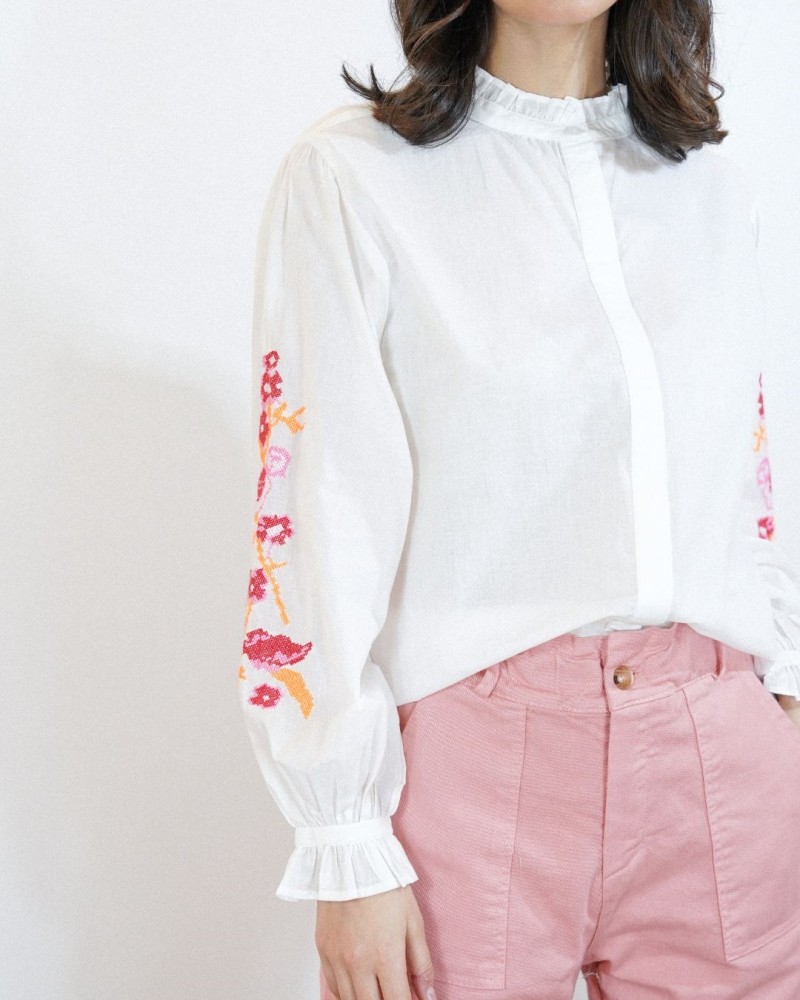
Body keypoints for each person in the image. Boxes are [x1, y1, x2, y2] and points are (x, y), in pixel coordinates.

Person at [237, 1, 800, 997]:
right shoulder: (355, 177)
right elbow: (321, 516)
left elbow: (737, 478)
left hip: (723, 760)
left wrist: (784, 687)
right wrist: (342, 834)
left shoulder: (711, 188)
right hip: (476, 772)